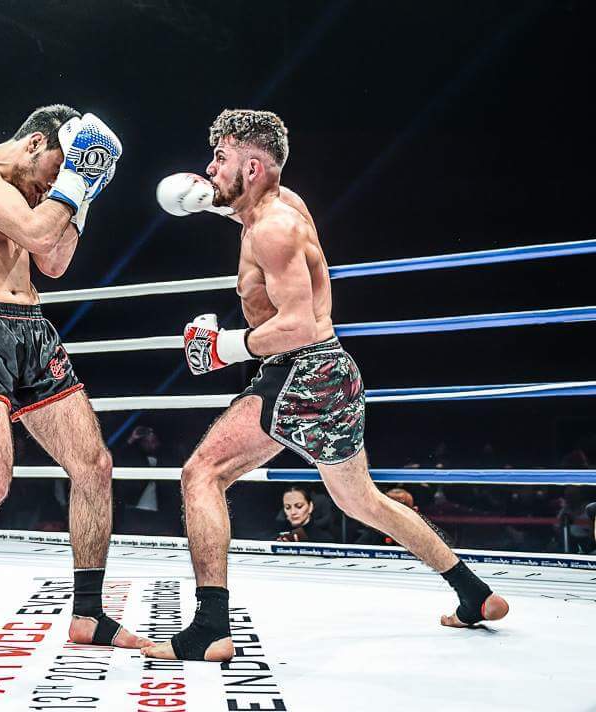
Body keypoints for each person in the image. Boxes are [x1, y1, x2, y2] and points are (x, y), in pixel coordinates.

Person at [143, 109, 507, 662]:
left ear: (253, 166)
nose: (209, 168)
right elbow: (250, 215)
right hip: (334, 371)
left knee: (203, 474)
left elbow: (296, 326)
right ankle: (473, 593)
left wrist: (220, 348)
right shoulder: (282, 205)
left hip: (300, 369)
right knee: (362, 500)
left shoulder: (272, 229)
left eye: (220, 158)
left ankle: (211, 627)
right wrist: (208, 201)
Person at [0, 104, 150, 657]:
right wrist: (77, 181)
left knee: (94, 466)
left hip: (32, 328)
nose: (52, 187)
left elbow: (54, 263)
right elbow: (40, 235)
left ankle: (88, 614)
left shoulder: (31, 193)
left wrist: (83, 197)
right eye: (56, 171)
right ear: (36, 144)